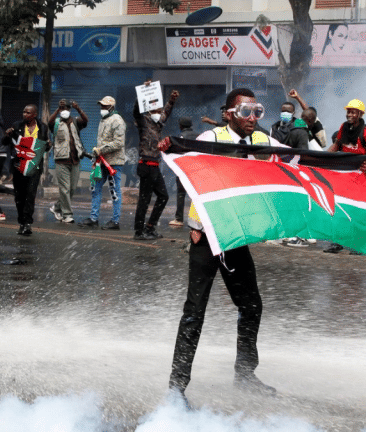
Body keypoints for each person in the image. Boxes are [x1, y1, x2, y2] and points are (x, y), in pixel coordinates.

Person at [168, 88, 279, 403]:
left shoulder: (261, 141)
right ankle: (176, 388)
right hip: (206, 233)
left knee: (252, 305)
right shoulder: (211, 137)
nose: (253, 118)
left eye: (257, 111)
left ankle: (245, 374)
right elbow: (192, 171)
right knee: (195, 311)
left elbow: (299, 157)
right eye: (246, 111)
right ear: (229, 113)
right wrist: (195, 223)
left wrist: (346, 160)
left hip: (235, 235)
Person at [323, 99, 366, 254]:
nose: (349, 114)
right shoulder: (343, 127)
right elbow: (336, 146)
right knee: (340, 207)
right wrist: (319, 157)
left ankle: (359, 244)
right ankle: (338, 242)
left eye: (353, 112)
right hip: (344, 174)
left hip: (360, 175)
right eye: (348, 111)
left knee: (357, 210)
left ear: (360, 114)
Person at [132, 81, 179, 240]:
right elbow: (136, 111)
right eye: (155, 109)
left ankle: (150, 227)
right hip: (146, 165)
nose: (159, 111)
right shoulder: (143, 121)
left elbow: (167, 111)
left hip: (155, 166)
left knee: (163, 196)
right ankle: (139, 232)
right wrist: (143, 92)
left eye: (159, 109)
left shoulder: (158, 123)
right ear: (149, 110)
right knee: (144, 200)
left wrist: (171, 100)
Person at [78, 96, 126, 229]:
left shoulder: (117, 121)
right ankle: (94, 218)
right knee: (95, 188)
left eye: (105, 106)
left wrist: (100, 149)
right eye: (101, 106)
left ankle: (115, 221)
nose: (102, 108)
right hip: (102, 162)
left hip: (113, 162)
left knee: (114, 192)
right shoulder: (104, 120)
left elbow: (118, 143)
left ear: (111, 107)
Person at [6, 104, 50, 235]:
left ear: (35, 114)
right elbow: (7, 143)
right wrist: (8, 135)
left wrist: (49, 145)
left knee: (30, 195)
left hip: (34, 166)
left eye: (28, 112)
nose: (25, 114)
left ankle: (27, 223)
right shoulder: (17, 126)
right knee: (20, 196)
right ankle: (21, 221)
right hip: (19, 165)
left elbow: (45, 147)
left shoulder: (42, 127)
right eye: (24, 112)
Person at [48, 99, 89, 224]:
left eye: (66, 108)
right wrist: (57, 110)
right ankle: (67, 215)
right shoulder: (56, 123)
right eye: (62, 108)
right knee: (65, 188)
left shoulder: (75, 121)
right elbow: (49, 122)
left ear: (70, 109)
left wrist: (78, 108)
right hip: (61, 161)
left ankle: (57, 207)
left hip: (75, 160)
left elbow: (86, 121)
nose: (64, 110)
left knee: (71, 189)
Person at [170, 117, 200, 227]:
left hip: (184, 169)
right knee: (196, 195)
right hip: (196, 168)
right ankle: (198, 220)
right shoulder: (199, 135)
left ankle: (179, 219)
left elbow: (178, 152)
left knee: (181, 194)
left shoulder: (181, 137)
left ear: (181, 126)